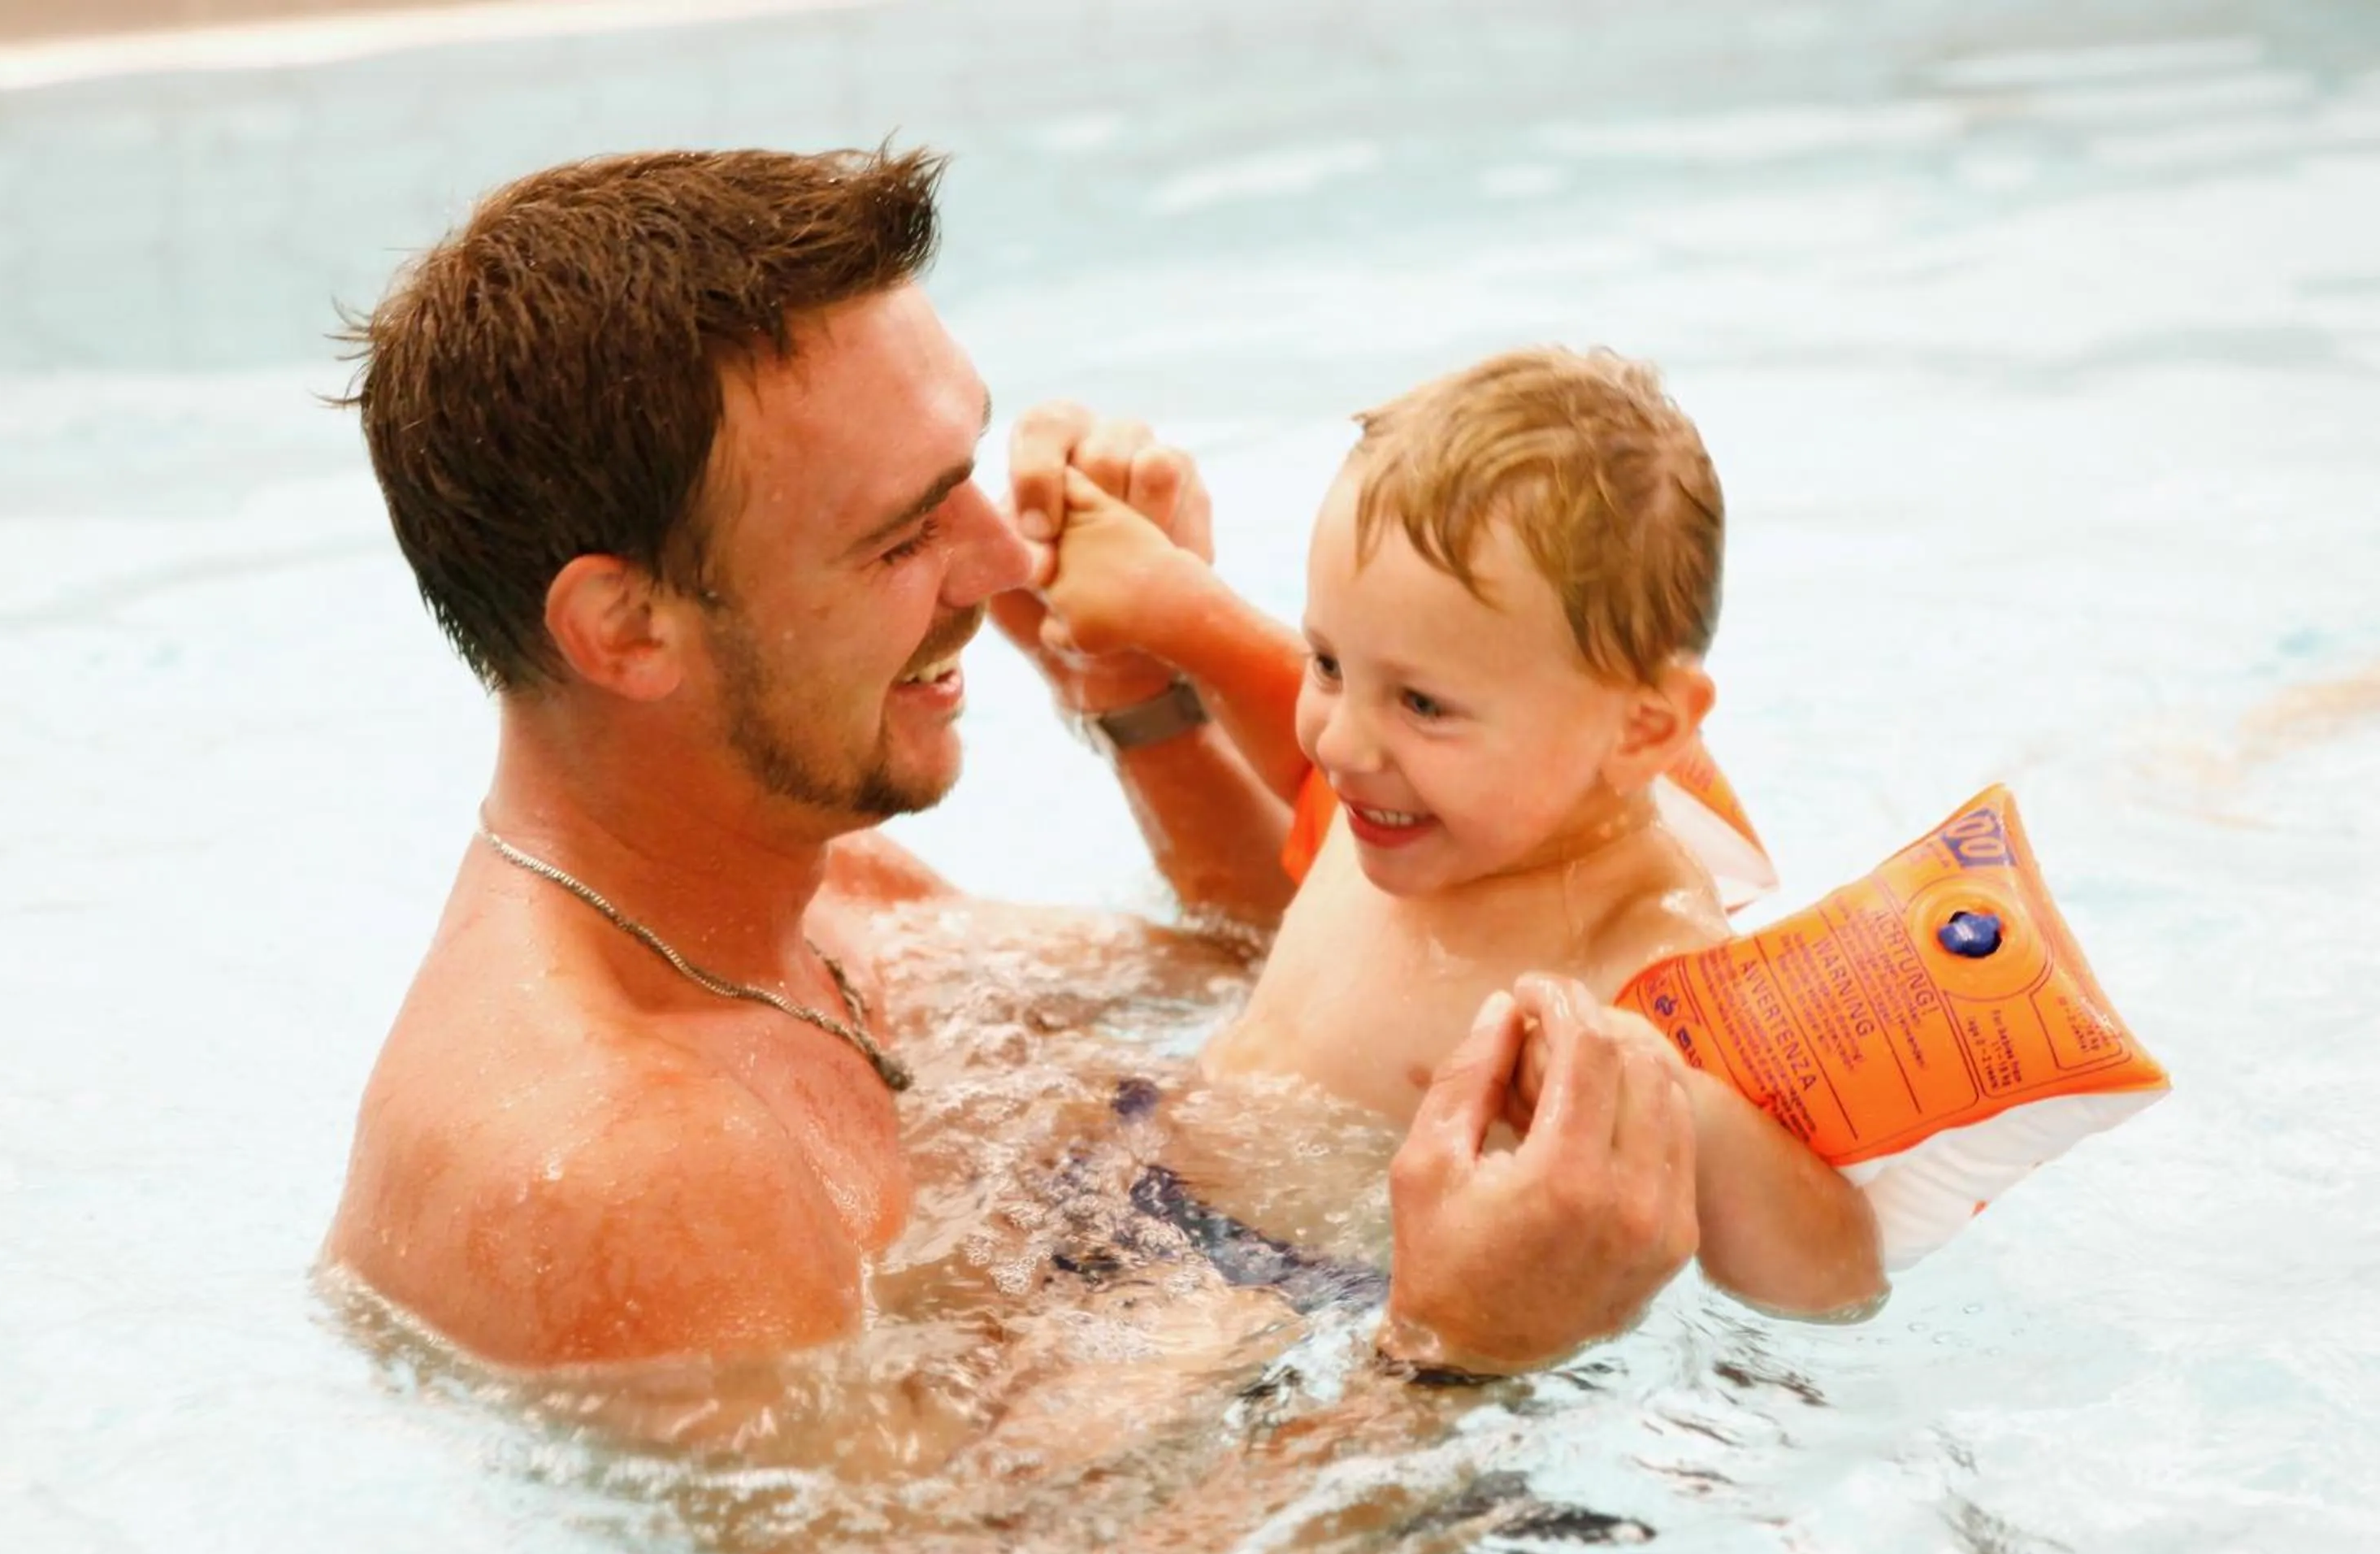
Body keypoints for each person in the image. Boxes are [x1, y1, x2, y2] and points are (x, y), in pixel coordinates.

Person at [321, 145, 1698, 1387]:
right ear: (626, 631)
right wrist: (1455, 1353)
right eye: (901, 535)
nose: (1004, 560)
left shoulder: (831, 894)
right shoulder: (620, 1167)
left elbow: (1287, 997)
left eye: (968, 471)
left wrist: (1139, 701)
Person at [1034, 347, 1886, 1315]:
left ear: (1643, 728)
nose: (1342, 741)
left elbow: (1840, 1278)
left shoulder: (1637, 962)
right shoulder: (1419, 805)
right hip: (1145, 1155)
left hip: (1284, 1297)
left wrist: (1682, 1109)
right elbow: (1295, 750)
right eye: (1327, 662)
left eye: (1425, 704)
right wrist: (1167, 606)